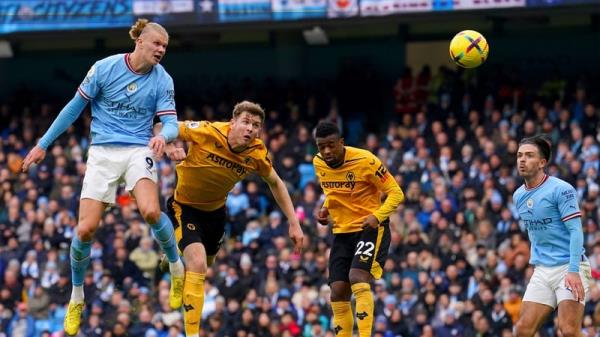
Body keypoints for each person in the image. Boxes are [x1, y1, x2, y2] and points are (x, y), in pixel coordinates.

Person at [21, 19, 184, 336]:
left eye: (165, 47)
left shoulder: (163, 79)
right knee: (85, 230)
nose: (161, 50)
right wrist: (43, 144)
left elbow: (172, 123)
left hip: (139, 149)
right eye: (157, 44)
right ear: (140, 41)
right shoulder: (104, 69)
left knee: (151, 211)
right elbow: (73, 108)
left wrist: (164, 136)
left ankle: (175, 266)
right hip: (102, 153)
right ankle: (76, 296)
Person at [159, 100, 304, 337]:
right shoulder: (207, 130)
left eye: (256, 125)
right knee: (197, 264)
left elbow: (276, 183)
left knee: (207, 264)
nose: (250, 129)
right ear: (233, 121)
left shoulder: (257, 153)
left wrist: (294, 222)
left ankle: (174, 259)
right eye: (246, 122)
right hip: (184, 207)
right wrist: (169, 146)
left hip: (216, 214)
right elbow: (162, 126)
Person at [312, 121, 404, 337]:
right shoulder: (318, 163)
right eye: (321, 146)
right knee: (337, 291)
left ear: (341, 142)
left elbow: (396, 193)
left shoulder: (366, 160)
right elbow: (333, 192)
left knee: (357, 278)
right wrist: (326, 208)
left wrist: (377, 215)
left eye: (331, 145)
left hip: (369, 227)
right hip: (342, 232)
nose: (326, 151)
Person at [513, 135, 592, 337]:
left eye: (529, 156)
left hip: (569, 266)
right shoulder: (518, 195)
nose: (522, 160)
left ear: (542, 163)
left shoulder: (561, 190)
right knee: (522, 329)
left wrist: (574, 271)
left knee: (568, 331)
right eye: (520, 155)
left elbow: (575, 231)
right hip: (542, 270)